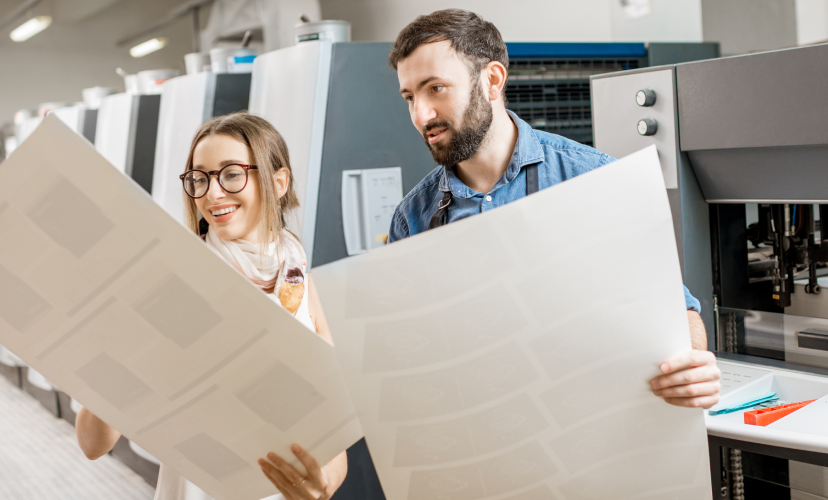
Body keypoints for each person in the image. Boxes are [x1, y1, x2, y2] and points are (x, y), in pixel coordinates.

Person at [387, 9, 721, 409]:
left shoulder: (593, 178)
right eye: (410, 97)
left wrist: (691, 366)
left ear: (492, 80)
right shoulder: (413, 217)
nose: (421, 115)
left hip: (589, 427)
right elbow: (404, 348)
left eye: (435, 88)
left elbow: (673, 308)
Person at [76, 112, 348, 500]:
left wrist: (325, 483)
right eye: (200, 178)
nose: (212, 194)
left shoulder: (299, 275)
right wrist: (119, 350)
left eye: (231, 174)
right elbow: (93, 444)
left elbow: (331, 425)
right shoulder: (174, 284)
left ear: (279, 181)